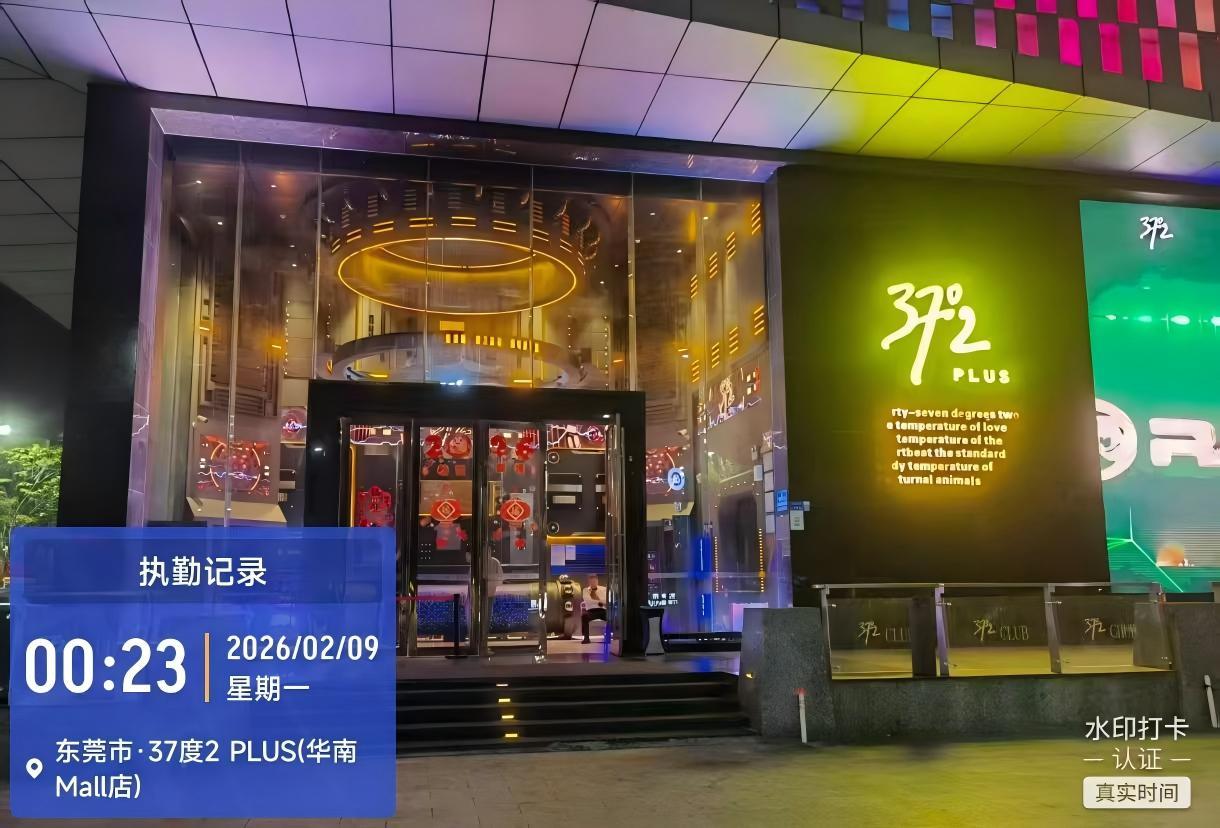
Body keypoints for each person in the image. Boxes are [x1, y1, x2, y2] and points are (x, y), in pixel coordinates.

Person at [581, 574, 608, 644]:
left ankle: (608, 637)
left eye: (595, 581)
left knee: (610, 616)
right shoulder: (585, 590)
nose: (593, 582)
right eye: (591, 581)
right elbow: (587, 601)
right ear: (589, 582)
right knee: (584, 616)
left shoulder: (604, 589)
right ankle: (586, 638)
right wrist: (599, 601)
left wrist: (595, 599)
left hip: (603, 610)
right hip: (591, 611)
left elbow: (606, 601)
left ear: (597, 581)